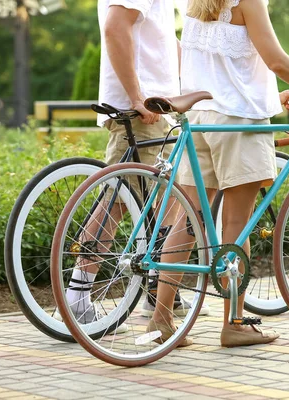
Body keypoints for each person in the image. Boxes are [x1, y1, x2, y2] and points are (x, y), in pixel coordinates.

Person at [148, 0, 289, 347]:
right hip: (238, 123)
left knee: (189, 221)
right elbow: (275, 59)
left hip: (200, 117)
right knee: (236, 227)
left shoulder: (196, 2)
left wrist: (269, 94)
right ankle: (235, 324)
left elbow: (227, 66)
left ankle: (162, 319)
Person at [62, 0, 209, 325]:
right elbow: (115, 26)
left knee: (165, 198)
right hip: (144, 110)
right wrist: (136, 96)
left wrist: (203, 82)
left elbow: (164, 43)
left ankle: (158, 289)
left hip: (159, 106)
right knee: (118, 198)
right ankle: (77, 293)